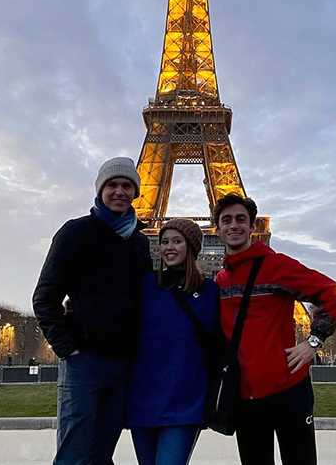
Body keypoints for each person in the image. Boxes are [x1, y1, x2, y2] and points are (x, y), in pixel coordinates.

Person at [33, 157, 153, 465]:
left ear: (136, 191)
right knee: (74, 455)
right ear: (100, 190)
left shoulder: (139, 244)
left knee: (101, 454)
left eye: (127, 185)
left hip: (123, 363)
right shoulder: (75, 233)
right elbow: (45, 296)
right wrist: (68, 348)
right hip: (83, 361)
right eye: (112, 185)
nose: (119, 191)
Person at [213, 193, 336, 465]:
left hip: (288, 389)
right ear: (218, 229)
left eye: (241, 219)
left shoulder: (276, 266)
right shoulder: (219, 280)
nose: (234, 225)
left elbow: (334, 293)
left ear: (252, 227)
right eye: (226, 220)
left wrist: (313, 342)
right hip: (244, 396)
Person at [126, 218, 218, 465]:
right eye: (164, 241)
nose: (169, 247)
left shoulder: (210, 292)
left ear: (191, 247)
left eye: (177, 241)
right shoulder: (145, 285)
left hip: (184, 402)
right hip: (143, 400)